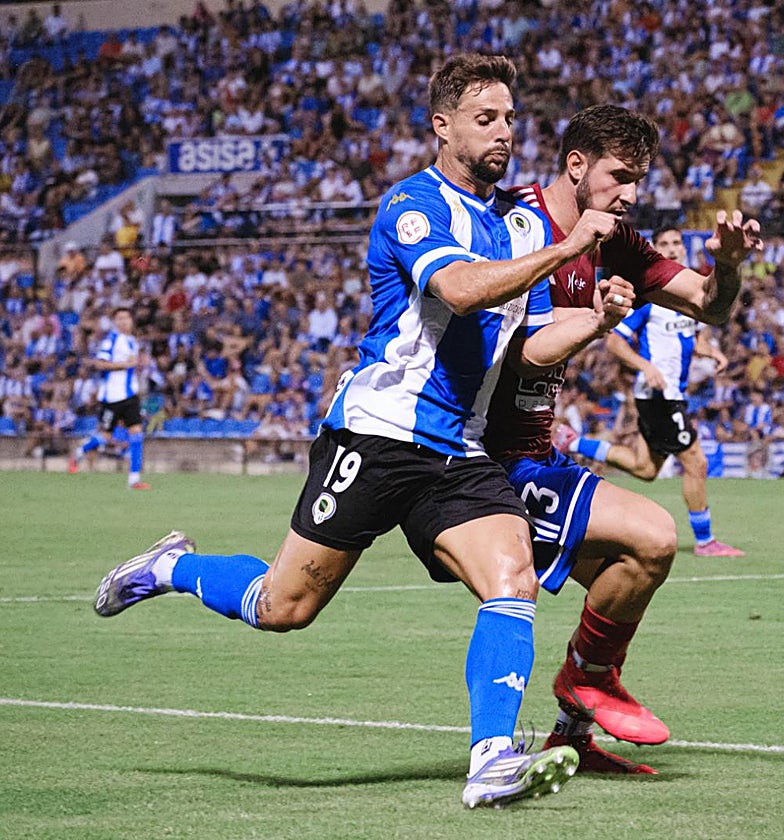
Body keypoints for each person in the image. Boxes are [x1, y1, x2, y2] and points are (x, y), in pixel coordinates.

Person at [90, 54, 635, 810]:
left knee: (510, 582)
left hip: (461, 452)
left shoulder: (512, 224)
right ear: (442, 127)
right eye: (486, 119)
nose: (504, 131)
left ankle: (490, 763)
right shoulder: (414, 205)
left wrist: (599, 318)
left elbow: (525, 338)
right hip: (377, 437)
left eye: (510, 118)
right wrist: (567, 250)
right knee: (283, 606)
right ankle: (171, 568)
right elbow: (458, 289)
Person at [483, 104, 760, 776]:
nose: (632, 193)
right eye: (620, 175)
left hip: (534, 449)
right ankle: (580, 688)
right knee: (293, 601)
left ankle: (573, 728)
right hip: (475, 453)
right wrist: (600, 321)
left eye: (639, 178)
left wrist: (726, 266)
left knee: (637, 559)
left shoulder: (614, 240)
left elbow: (706, 303)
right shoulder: (515, 225)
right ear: (576, 165)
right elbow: (521, 355)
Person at [555, 227, 745, 557]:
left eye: (676, 244)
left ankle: (572, 442)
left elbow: (689, 338)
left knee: (645, 468)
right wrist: (646, 367)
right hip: (659, 395)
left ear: (684, 250)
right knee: (696, 463)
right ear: (655, 250)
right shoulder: (651, 298)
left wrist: (710, 351)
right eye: (664, 245)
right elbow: (614, 342)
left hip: (668, 395)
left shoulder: (690, 297)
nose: (671, 249)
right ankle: (705, 541)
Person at [69, 307, 151, 490]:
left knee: (137, 434)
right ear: (115, 322)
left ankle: (134, 480)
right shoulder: (111, 340)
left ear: (132, 321)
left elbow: (132, 366)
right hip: (112, 397)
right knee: (105, 436)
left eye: (126, 318)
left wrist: (138, 366)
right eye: (119, 318)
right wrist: (125, 365)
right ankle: (79, 452)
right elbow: (99, 363)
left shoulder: (132, 341)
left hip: (130, 396)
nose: (123, 321)